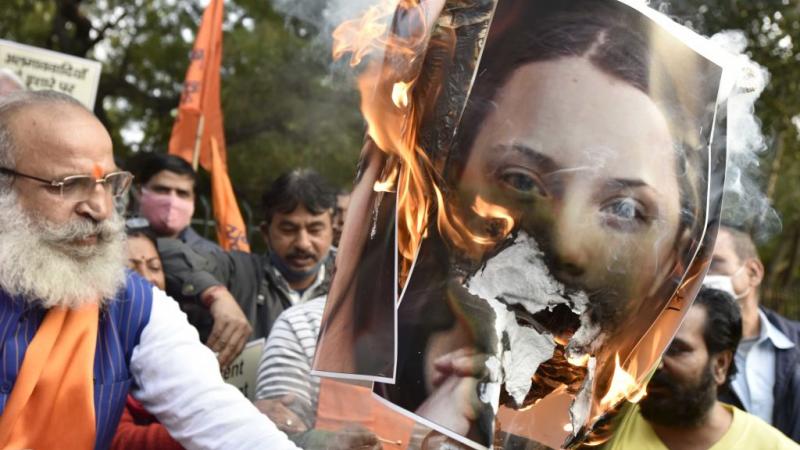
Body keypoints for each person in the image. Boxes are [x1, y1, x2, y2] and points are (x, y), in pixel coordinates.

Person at [0, 90, 296, 449]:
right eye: (69, 184)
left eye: (110, 184)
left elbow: (219, 418)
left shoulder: (134, 306)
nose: (100, 208)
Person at [607, 287, 797, 449]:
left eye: (676, 350)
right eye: (648, 349)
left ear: (720, 365)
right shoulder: (603, 430)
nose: (655, 364)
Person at [159, 168, 336, 341]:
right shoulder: (237, 272)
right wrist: (215, 293)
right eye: (288, 230)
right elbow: (166, 253)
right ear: (266, 232)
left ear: (333, 232)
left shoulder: (348, 289)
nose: (303, 243)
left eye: (315, 230)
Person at [705, 225, 800, 441]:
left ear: (753, 272)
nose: (702, 277)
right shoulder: (683, 353)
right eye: (695, 266)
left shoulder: (796, 342)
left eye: (714, 264)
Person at [113, 223, 182, 450]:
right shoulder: (95, 348)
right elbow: (120, 439)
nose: (147, 278)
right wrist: (208, 430)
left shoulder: (179, 339)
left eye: (154, 267)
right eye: (130, 270)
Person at [136, 153, 222, 254]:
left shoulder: (213, 255)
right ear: (140, 193)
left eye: (182, 193)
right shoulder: (121, 246)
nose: (172, 201)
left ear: (193, 200)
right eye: (162, 189)